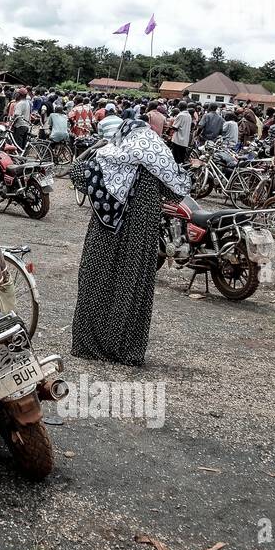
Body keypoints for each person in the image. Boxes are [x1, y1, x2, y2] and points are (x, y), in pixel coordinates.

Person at [70, 118, 190, 365]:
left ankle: (88, 342)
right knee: (131, 283)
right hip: (140, 237)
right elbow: (179, 189)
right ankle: (125, 348)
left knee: (96, 278)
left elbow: (77, 173)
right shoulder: (159, 160)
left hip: (104, 234)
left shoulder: (111, 156)